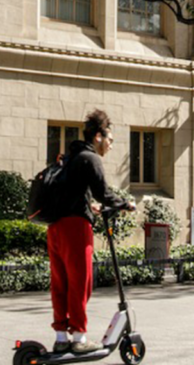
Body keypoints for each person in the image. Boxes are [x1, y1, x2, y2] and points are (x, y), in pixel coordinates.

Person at [48, 109, 135, 354]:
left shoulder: (70, 157)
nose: (110, 145)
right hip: (75, 227)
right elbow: (103, 192)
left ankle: (61, 337)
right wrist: (125, 203)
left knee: (60, 283)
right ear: (98, 136)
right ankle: (79, 338)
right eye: (110, 140)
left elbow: (73, 192)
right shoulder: (90, 158)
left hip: (55, 228)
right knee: (80, 282)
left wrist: (90, 205)